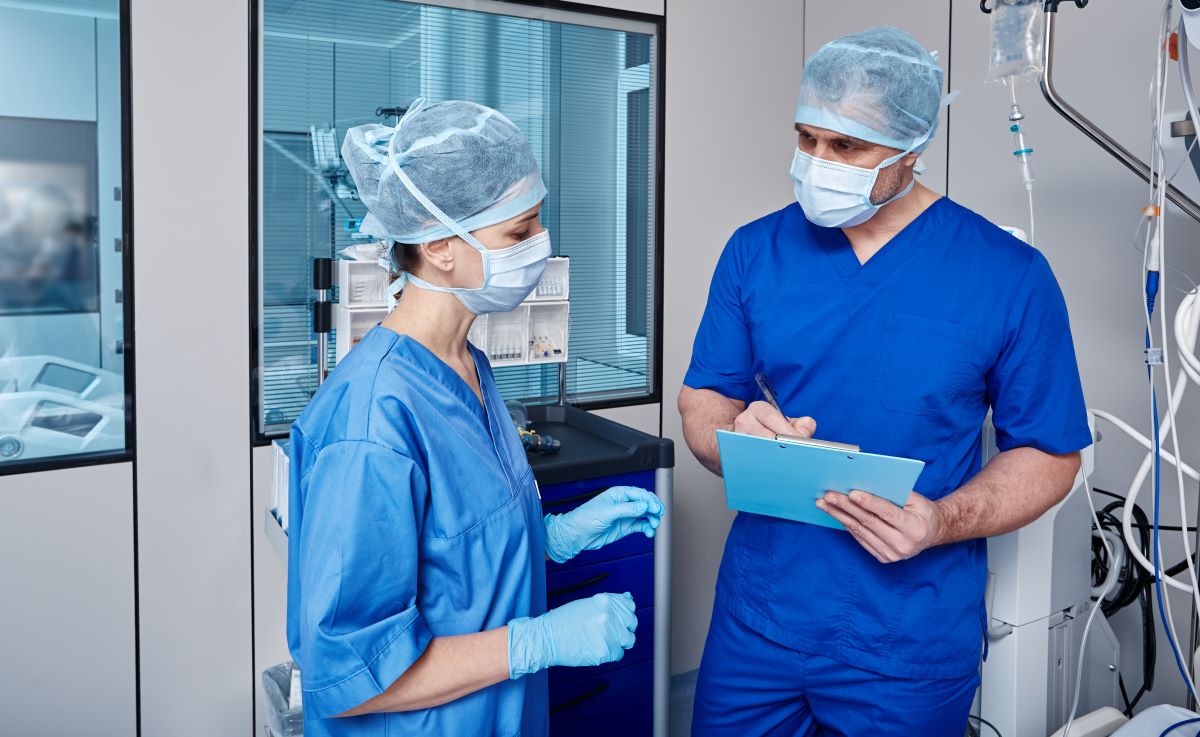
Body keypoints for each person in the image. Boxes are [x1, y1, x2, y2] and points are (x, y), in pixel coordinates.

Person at [679, 27, 1090, 736]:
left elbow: (1050, 453)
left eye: (846, 147)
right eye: (807, 138)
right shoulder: (754, 252)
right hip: (762, 617)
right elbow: (703, 398)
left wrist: (941, 520)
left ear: (911, 145)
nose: (816, 163)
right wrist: (731, 430)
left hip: (908, 636)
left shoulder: (1008, 276)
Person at [287, 98, 665, 737]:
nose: (539, 247)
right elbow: (346, 674)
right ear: (438, 246)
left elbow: (456, 552)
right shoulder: (371, 421)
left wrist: (553, 537)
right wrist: (534, 644)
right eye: (518, 234)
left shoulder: (469, 365)